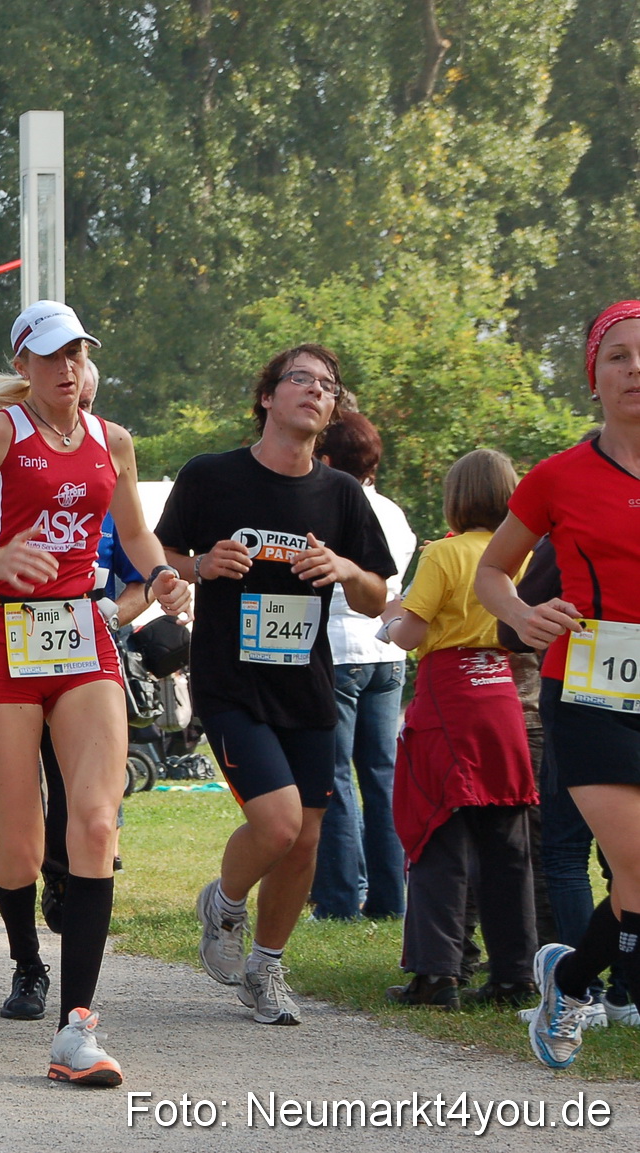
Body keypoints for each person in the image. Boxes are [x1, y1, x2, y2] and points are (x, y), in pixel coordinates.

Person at [0, 300, 188, 1086]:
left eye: (78, 353)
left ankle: (78, 1030)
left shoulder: (115, 441)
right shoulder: (2, 433)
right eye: (52, 355)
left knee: (96, 824)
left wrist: (160, 573)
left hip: (80, 638)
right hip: (1, 636)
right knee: (24, 851)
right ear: (24, 365)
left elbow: (135, 537)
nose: (67, 368)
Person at [157, 342, 395, 1027]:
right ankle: (224, 905)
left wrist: (344, 569)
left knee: (308, 838)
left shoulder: (341, 493)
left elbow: (379, 596)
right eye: (301, 379)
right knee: (278, 821)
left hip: (307, 683)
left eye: (328, 385)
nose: (316, 391)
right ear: (268, 396)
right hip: (230, 680)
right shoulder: (212, 475)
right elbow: (165, 555)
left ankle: (266, 967)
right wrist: (201, 564)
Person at [475, 300, 640, 1068]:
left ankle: (569, 982)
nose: (635, 368)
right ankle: (579, 985)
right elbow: (490, 571)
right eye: (618, 357)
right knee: (638, 860)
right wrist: (523, 611)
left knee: (636, 874)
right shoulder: (558, 476)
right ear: (594, 378)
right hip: (590, 690)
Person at [381, 449, 537, 1009]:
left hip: (450, 695)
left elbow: (409, 634)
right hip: (503, 693)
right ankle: (515, 974)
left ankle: (437, 972)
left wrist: (390, 614)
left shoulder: (445, 554)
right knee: (507, 842)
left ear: (456, 497)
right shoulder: (521, 556)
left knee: (437, 829)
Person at [311, 413, 414, 921]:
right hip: (389, 652)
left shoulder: (330, 503)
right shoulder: (394, 512)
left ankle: (338, 898)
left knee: (335, 778)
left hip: (339, 646)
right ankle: (391, 898)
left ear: (326, 460)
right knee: (382, 777)